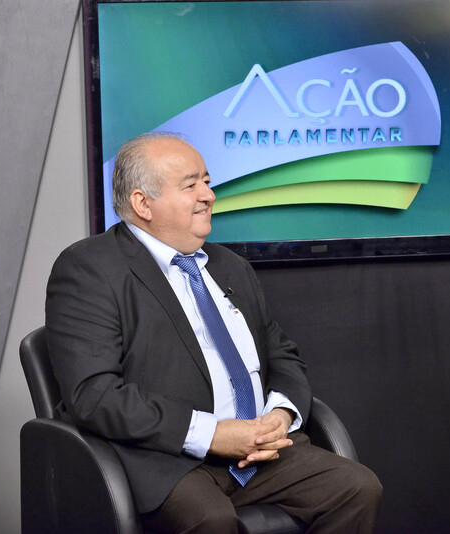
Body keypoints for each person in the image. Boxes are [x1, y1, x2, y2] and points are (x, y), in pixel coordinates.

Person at [45, 132, 382, 533]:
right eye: (191, 185)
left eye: (207, 181)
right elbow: (94, 395)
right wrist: (213, 435)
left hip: (259, 454)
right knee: (211, 520)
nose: (208, 195)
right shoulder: (89, 269)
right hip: (164, 457)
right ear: (142, 203)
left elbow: (282, 355)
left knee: (357, 488)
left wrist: (280, 414)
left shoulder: (231, 266)